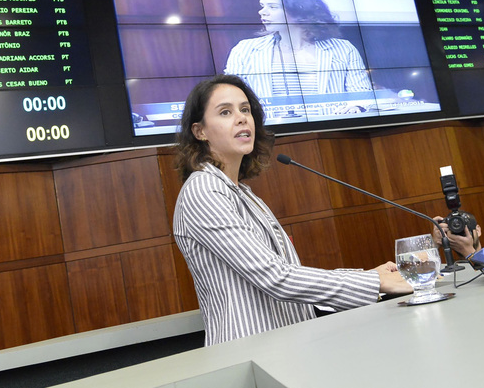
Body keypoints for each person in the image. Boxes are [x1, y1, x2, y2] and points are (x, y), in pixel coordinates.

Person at [172, 74, 410, 346]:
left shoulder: (243, 193)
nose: (241, 118)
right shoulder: (204, 190)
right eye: (225, 112)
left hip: (285, 347)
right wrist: (373, 282)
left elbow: (287, 275)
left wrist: (367, 276)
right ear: (200, 132)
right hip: (249, 353)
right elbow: (276, 277)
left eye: (245, 109)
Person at [223, 0, 372, 99]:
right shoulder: (245, 50)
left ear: (299, 10)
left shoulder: (343, 49)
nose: (262, 12)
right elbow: (231, 98)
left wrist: (357, 107)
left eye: (273, 7)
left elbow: (362, 96)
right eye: (262, 6)